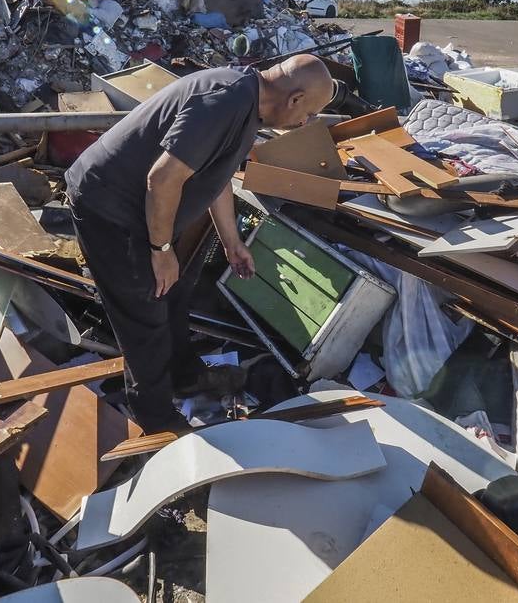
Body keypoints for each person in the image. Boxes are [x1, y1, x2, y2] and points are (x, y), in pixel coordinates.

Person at [65, 54, 335, 433]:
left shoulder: (249, 105)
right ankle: (158, 421)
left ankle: (186, 376)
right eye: (309, 113)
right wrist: (160, 250)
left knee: (174, 295)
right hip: (109, 207)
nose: (305, 122)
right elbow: (162, 179)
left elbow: (216, 175)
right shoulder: (224, 102)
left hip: (146, 210)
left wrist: (231, 242)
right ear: (295, 98)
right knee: (144, 313)